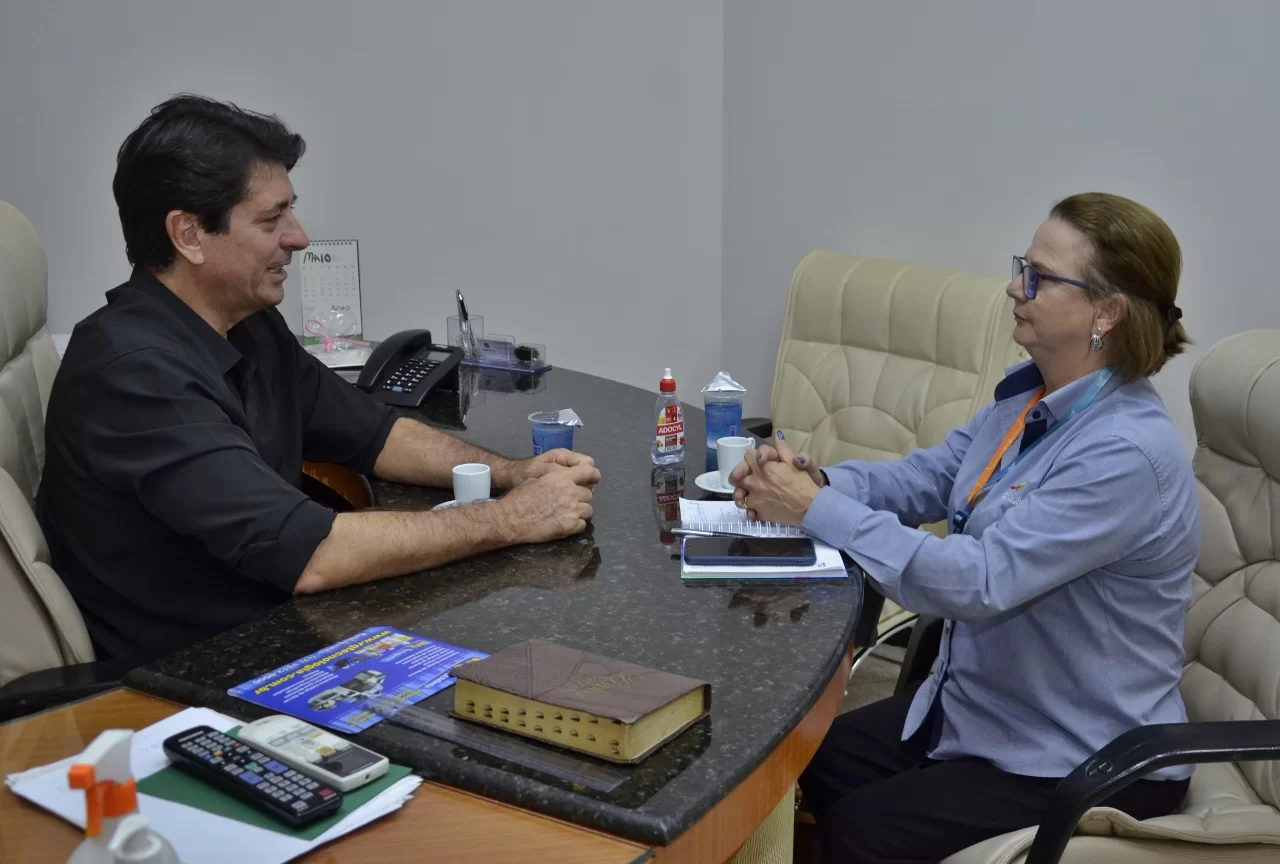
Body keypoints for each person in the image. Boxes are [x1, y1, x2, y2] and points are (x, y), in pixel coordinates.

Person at [37, 95, 600, 663]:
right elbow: (311, 555)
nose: (298, 237)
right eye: (270, 219)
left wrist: (512, 474)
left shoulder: (246, 322)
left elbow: (374, 434)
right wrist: (513, 517)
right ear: (188, 234)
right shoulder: (134, 374)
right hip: (203, 668)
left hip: (282, 625)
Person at [731, 193, 1198, 862]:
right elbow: (929, 475)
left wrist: (813, 508)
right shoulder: (1034, 396)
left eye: (1039, 277)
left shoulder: (1124, 454)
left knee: (865, 829)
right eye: (1022, 268)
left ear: (1106, 312)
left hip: (1081, 752)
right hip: (987, 707)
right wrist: (818, 481)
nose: (1015, 288)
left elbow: (978, 581)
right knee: (804, 758)